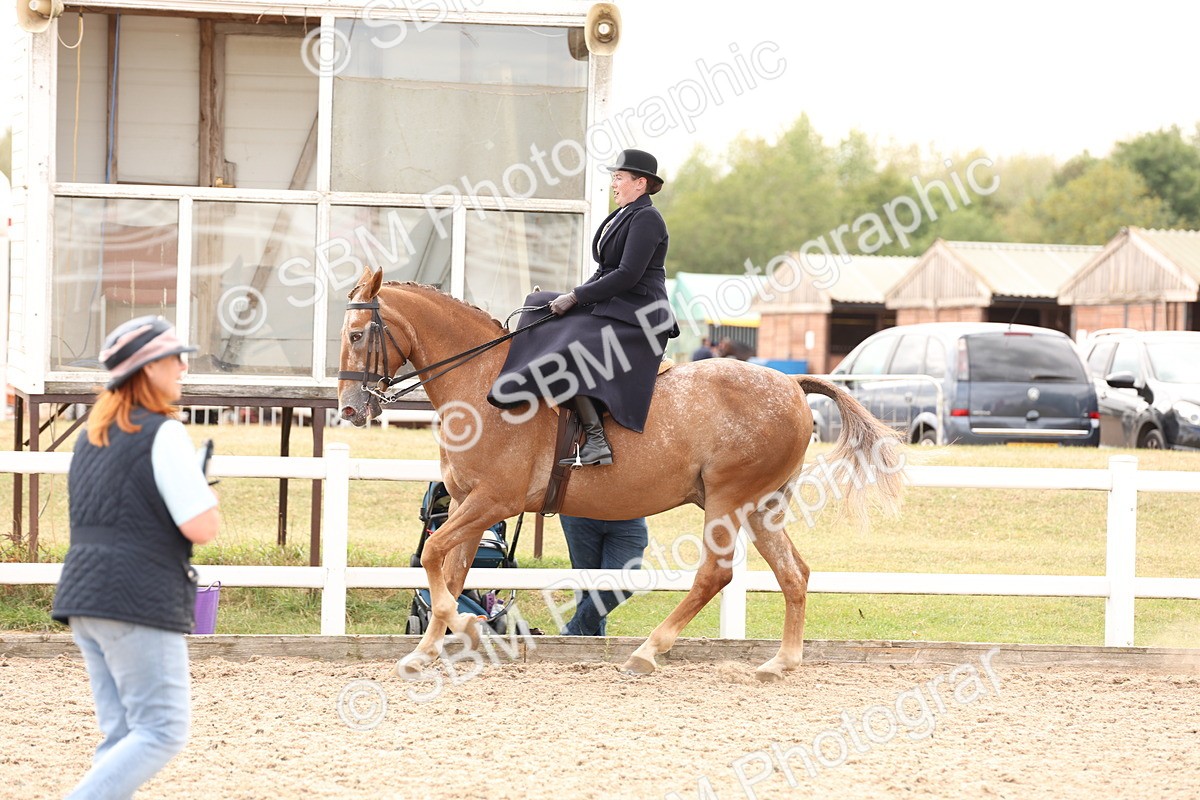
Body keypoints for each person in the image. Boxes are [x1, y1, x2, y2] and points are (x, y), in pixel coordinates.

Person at [52, 316, 220, 800]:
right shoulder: (162, 433)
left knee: (125, 736)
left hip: (85, 596)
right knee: (162, 730)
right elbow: (202, 527)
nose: (184, 368)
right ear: (148, 369)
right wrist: (199, 484)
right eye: (175, 359)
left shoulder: (92, 436)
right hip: (135, 595)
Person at [488, 148, 678, 467]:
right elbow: (604, 270)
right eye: (613, 178)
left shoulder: (647, 218)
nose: (613, 184)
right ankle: (520, 385)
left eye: (619, 177)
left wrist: (575, 297)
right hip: (617, 305)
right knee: (537, 304)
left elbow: (628, 275)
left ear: (640, 183)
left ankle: (596, 439)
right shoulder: (624, 214)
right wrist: (569, 297)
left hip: (640, 315)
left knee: (572, 348)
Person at [559, 515, 649, 636]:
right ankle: (592, 650)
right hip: (579, 512)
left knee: (624, 583)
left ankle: (572, 635)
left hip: (629, 514)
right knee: (587, 588)